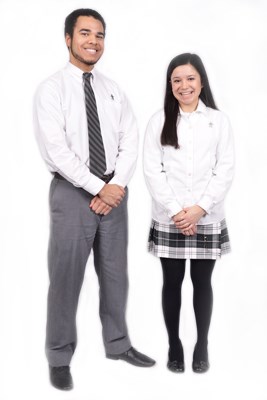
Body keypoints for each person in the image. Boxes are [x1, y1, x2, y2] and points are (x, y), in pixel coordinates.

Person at [33, 8, 155, 391]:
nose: (93, 41)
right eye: (85, 33)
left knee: (116, 275)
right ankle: (59, 356)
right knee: (66, 278)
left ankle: (118, 345)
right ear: (68, 38)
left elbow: (130, 139)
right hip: (73, 191)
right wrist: (96, 186)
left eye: (99, 35)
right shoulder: (51, 89)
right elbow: (56, 150)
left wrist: (115, 185)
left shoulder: (112, 88)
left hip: (114, 191)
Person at [143, 53, 234, 374]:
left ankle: (202, 344)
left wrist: (199, 210)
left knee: (202, 283)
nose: (184, 85)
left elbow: (224, 169)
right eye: (177, 80)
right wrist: (176, 212)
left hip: (206, 216)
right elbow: (154, 171)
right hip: (170, 217)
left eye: (190, 78)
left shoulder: (218, 121)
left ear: (202, 81)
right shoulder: (159, 120)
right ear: (170, 85)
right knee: (171, 282)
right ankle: (174, 344)